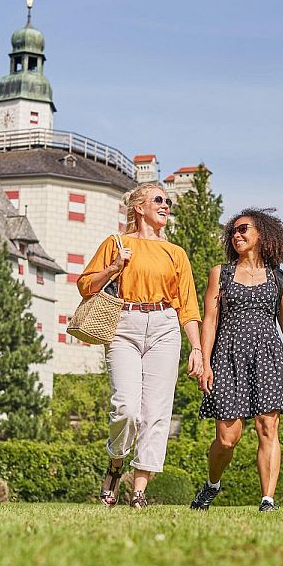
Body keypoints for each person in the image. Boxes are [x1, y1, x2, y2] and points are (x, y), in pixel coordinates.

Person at [78, 182, 203, 508]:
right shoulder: (117, 243)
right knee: (126, 408)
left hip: (164, 327)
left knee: (156, 413)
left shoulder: (176, 253)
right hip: (125, 325)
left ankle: (139, 491)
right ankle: (116, 464)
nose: (166, 206)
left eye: (168, 203)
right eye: (159, 200)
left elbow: (188, 306)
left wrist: (197, 349)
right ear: (139, 206)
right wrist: (113, 268)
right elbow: (85, 286)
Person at [191, 208, 283, 512]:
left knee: (268, 428)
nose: (237, 235)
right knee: (227, 438)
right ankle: (212, 484)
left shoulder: (279, 279)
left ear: (262, 234)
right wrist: (205, 363)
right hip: (227, 358)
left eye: (244, 229)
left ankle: (268, 500)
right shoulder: (221, 274)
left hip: (268, 358)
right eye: (233, 231)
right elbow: (209, 320)